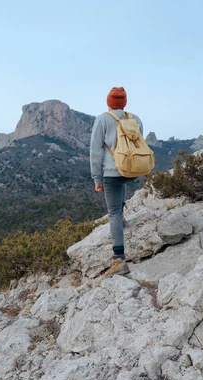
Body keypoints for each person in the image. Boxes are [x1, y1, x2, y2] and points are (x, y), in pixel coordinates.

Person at [90, 87, 144, 277]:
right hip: (131, 170)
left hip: (112, 172)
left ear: (109, 103)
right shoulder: (135, 119)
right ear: (124, 102)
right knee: (121, 191)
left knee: (112, 212)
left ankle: (119, 260)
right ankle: (122, 220)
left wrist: (97, 177)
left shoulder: (103, 119)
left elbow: (96, 151)